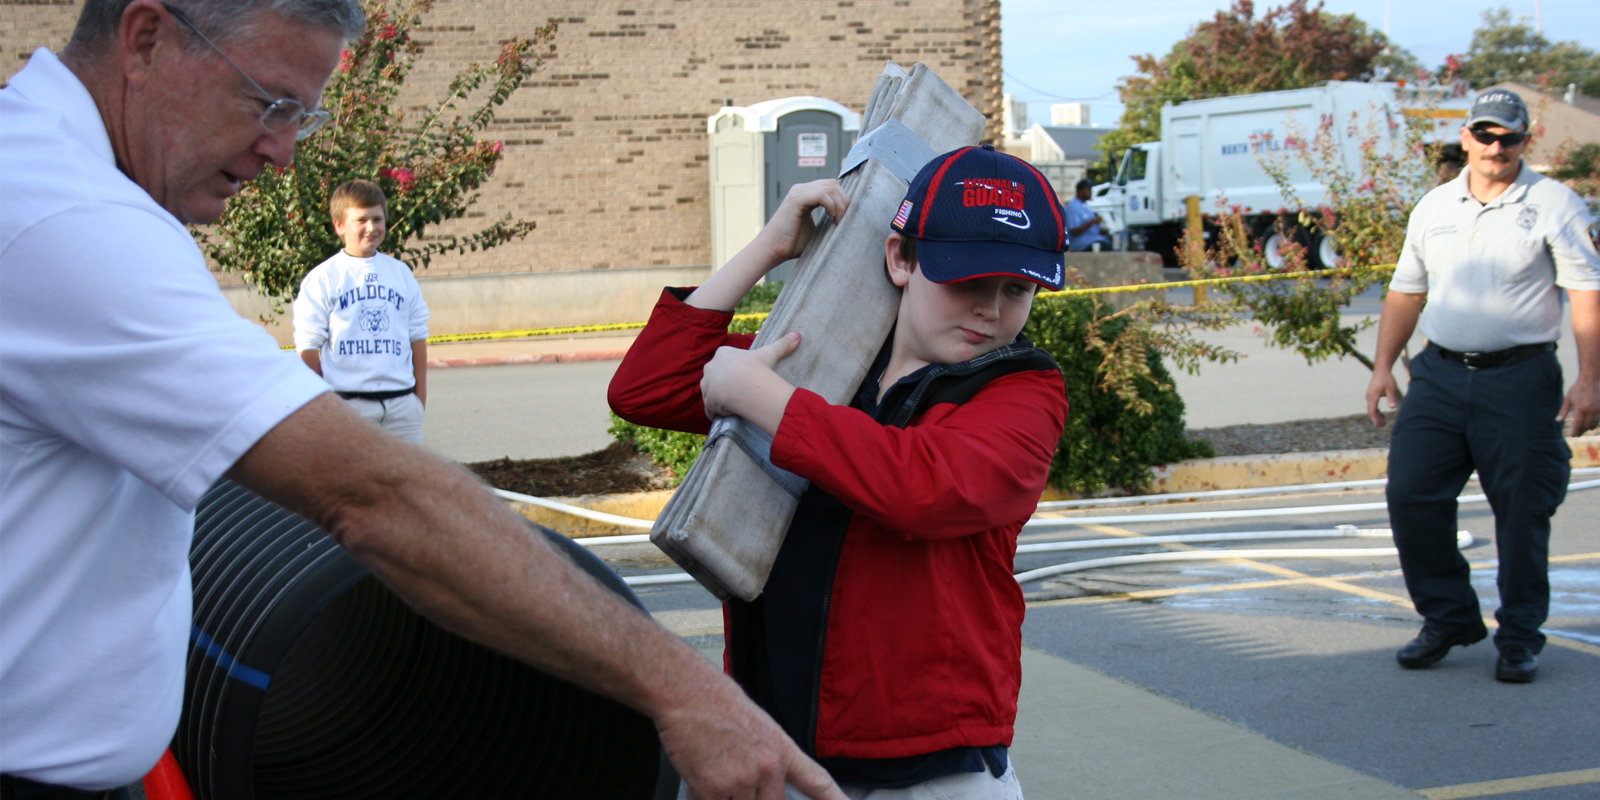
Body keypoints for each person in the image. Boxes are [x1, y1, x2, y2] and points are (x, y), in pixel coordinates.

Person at [0, 1, 847, 797]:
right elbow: (375, 495)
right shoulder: (63, 219)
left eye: (304, 116)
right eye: (269, 102)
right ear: (147, 39)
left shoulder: (54, 181)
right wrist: (688, 692)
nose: (283, 151)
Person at [609, 145, 1071, 798]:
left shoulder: (1023, 391)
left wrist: (764, 398)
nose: (992, 310)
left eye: (1018, 288)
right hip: (769, 742)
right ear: (901, 259)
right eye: (968, 279)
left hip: (934, 770)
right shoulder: (826, 355)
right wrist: (771, 247)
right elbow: (648, 386)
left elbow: (924, 489)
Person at [1366, 88, 1600, 684]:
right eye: (1486, 135)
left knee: (1522, 511)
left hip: (1519, 379)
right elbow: (1407, 291)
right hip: (1439, 375)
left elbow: (1586, 296)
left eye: (1510, 137)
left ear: (1527, 139)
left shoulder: (1556, 205)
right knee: (1412, 495)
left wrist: (1589, 380)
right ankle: (1448, 618)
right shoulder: (1434, 207)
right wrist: (1381, 366)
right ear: (1466, 137)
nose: (1497, 147)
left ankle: (1519, 637)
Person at [293, 179, 429, 445]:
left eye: (377, 219)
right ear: (339, 226)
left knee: (402, 485)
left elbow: (417, 336)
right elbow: (307, 346)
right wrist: (325, 405)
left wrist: (419, 399)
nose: (371, 228)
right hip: (348, 407)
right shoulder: (324, 277)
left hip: (402, 408)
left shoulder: (400, 273)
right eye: (361, 220)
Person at [1064, 178, 1108, 252]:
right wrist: (1093, 221)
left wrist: (1101, 230)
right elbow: (1074, 231)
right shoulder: (1073, 207)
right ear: (1080, 191)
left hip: (1094, 240)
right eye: (1088, 189)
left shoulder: (1085, 206)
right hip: (1084, 243)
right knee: (1106, 248)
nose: (1090, 192)